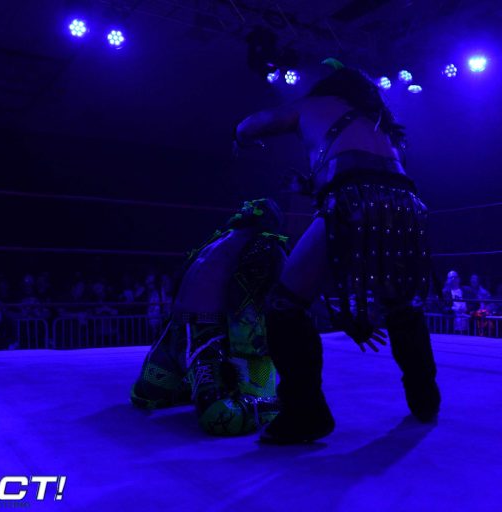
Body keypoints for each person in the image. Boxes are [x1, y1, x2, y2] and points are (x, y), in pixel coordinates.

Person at [235, 63, 440, 444]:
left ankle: (305, 413)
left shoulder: (312, 104)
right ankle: (425, 398)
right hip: (406, 207)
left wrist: (241, 136)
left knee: (284, 303)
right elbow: (363, 171)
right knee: (402, 305)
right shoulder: (379, 122)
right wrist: (310, 186)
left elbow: (253, 124)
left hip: (353, 201)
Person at [131, 199, 288, 436]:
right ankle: (200, 385)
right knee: (145, 395)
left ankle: (272, 403)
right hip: (177, 327)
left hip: (210, 332)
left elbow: (280, 294)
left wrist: (254, 347)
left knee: (220, 418)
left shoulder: (265, 246)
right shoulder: (222, 238)